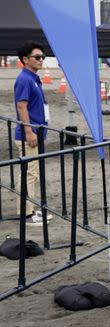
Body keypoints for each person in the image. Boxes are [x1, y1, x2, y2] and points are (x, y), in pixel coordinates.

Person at [13, 41, 51, 224]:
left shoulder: (33, 78)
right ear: (25, 59)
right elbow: (21, 106)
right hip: (30, 134)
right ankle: (27, 214)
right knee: (30, 173)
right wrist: (29, 132)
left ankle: (31, 209)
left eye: (42, 57)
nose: (41, 60)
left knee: (32, 172)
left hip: (36, 132)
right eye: (37, 57)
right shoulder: (25, 79)